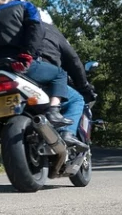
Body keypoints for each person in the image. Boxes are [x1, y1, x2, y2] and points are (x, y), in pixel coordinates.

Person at [37, 11, 97, 146]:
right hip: (44, 79)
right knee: (77, 99)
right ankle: (67, 133)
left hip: (19, 76)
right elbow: (74, 61)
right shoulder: (52, 31)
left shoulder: (19, 31)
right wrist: (84, 87)